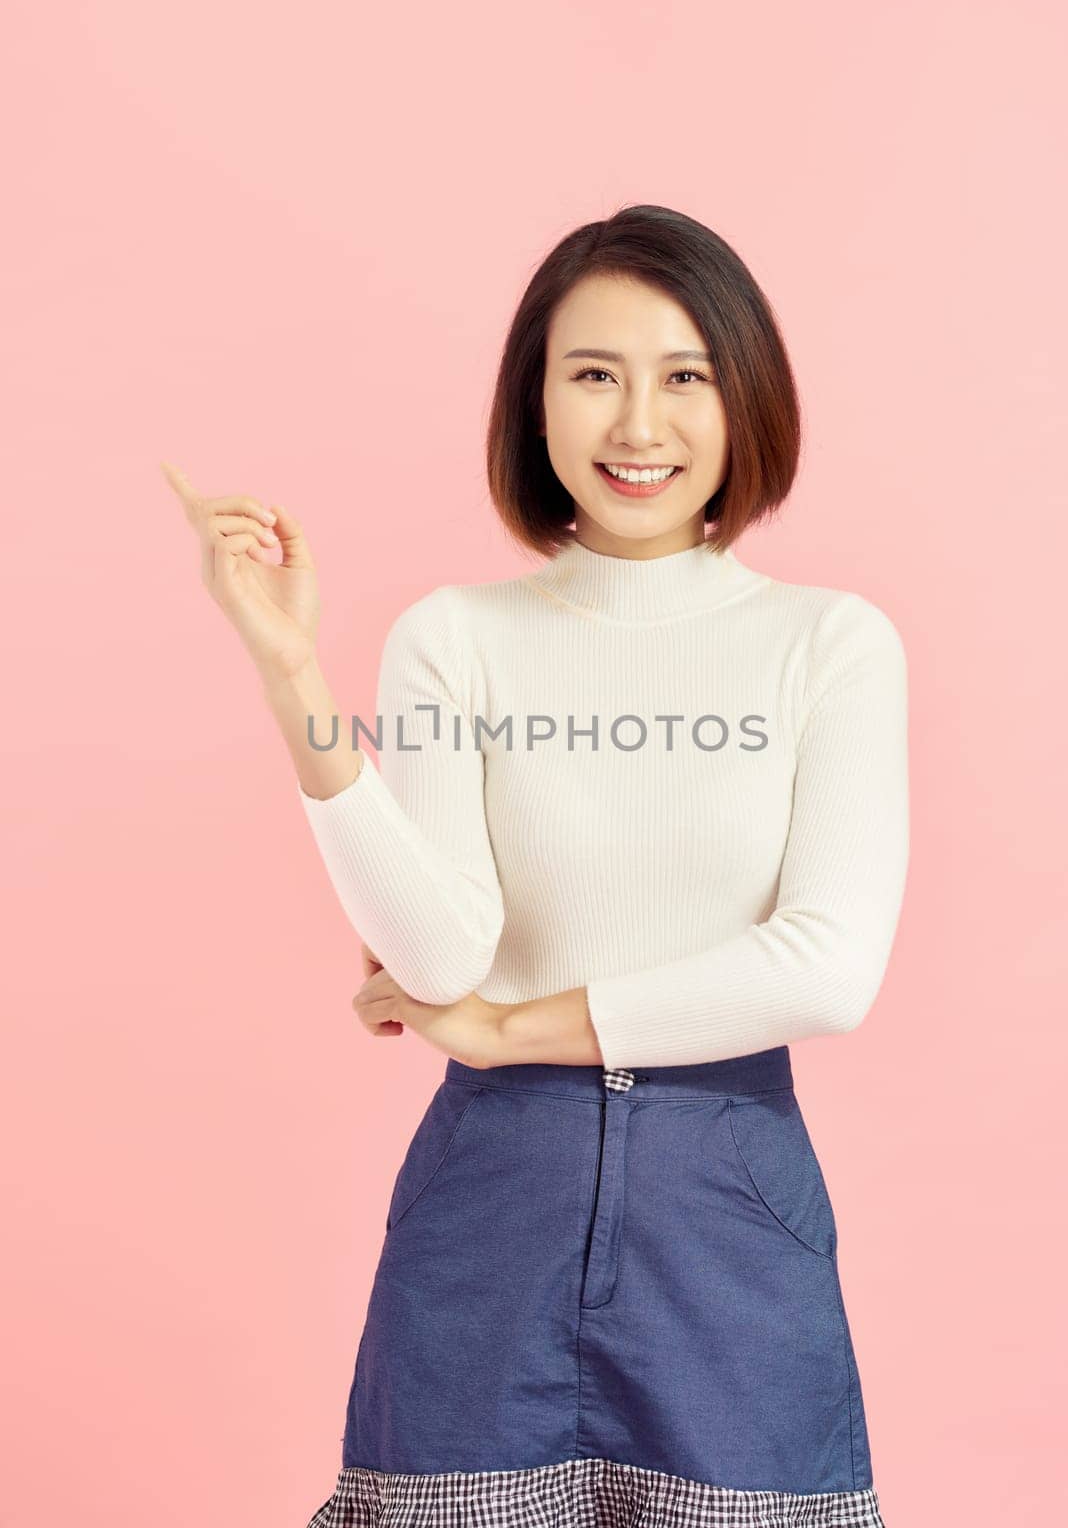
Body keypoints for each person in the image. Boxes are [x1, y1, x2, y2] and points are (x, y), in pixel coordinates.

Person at [163, 203, 909, 1528]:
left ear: (745, 396)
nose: (638, 426)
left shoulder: (830, 647)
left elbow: (828, 966)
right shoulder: (458, 638)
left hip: (730, 1212)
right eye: (593, 375)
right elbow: (441, 949)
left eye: (683, 375)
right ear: (535, 401)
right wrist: (291, 676)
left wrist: (509, 1026)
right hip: (492, 1209)